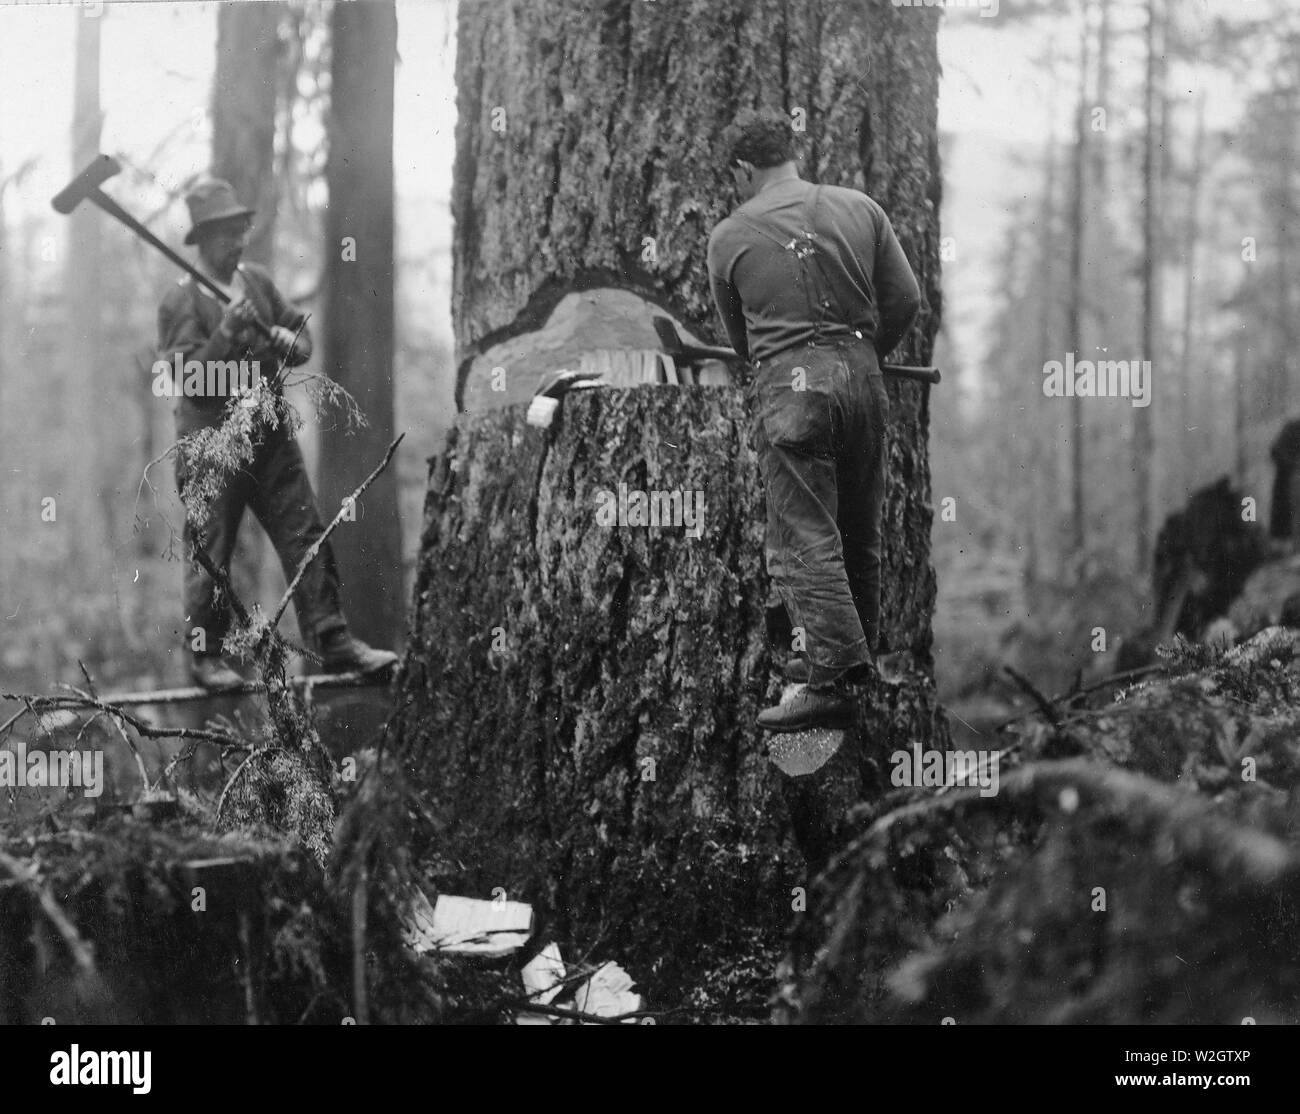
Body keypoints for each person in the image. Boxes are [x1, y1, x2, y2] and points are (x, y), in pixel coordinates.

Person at [707, 110, 921, 732]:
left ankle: (831, 679)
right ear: (792, 154)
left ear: (744, 170)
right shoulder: (862, 208)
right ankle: (857, 663)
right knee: (860, 531)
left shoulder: (728, 236)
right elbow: (905, 300)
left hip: (791, 386)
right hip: (864, 380)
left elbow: (742, 341)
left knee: (805, 537)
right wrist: (859, 357)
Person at [157, 177, 398, 689]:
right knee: (210, 549)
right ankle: (204, 659)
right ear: (202, 240)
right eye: (224, 234)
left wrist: (291, 337)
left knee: (305, 534)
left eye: (240, 231)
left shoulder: (258, 282)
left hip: (269, 438)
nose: (237, 242)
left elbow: (302, 338)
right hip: (212, 448)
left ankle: (333, 639)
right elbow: (193, 383)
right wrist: (225, 333)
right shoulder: (180, 304)